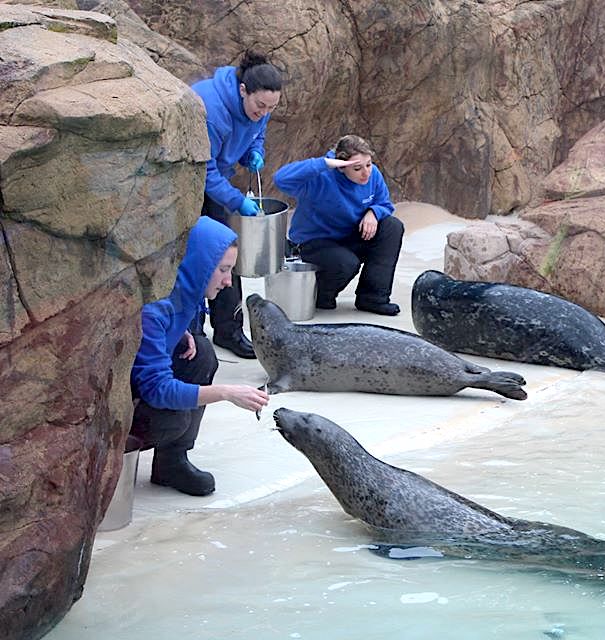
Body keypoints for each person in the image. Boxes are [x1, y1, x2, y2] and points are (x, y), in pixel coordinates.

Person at [130, 217, 270, 497]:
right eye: (223, 270)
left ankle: (171, 463)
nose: (229, 281)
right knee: (173, 421)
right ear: (200, 265)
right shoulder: (154, 309)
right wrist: (226, 393)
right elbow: (155, 389)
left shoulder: (188, 292)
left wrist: (179, 332)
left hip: (144, 384)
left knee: (202, 354)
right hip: (126, 401)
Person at [191, 51, 283, 358]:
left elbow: (258, 132)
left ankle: (228, 330)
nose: (265, 111)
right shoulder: (212, 110)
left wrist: (253, 152)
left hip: (218, 181)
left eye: (272, 107)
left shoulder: (260, 105)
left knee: (226, 252)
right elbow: (204, 170)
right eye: (260, 105)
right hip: (188, 182)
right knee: (196, 255)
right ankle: (191, 330)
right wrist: (235, 202)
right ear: (243, 90)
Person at [274, 134, 405, 316]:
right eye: (357, 168)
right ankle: (319, 295)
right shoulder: (320, 178)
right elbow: (280, 179)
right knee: (345, 263)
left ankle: (373, 298)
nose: (366, 172)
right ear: (341, 167)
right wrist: (323, 163)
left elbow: (384, 203)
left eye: (368, 164)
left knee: (392, 227)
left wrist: (373, 212)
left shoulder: (372, 175)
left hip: (349, 235)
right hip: (315, 242)